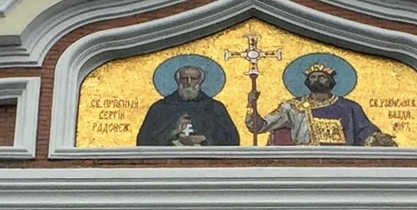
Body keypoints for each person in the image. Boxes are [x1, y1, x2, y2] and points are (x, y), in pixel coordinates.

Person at [257, 60, 392, 147]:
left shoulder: (349, 107)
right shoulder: (293, 107)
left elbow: (364, 130)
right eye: (313, 77)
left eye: (321, 77)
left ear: (330, 81)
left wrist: (376, 138)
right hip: (303, 160)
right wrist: (251, 106)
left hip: (342, 161)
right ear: (308, 82)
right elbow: (259, 126)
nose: (317, 80)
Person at [135, 61, 242, 146]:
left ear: (200, 81)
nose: (189, 82)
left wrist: (204, 139)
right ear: (178, 81)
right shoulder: (160, 108)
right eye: (184, 78)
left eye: (193, 78)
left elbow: (232, 139)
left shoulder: (214, 107)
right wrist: (174, 131)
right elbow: (143, 141)